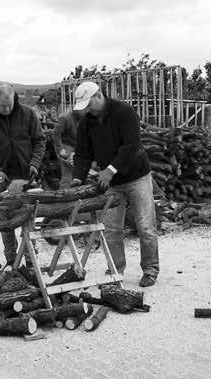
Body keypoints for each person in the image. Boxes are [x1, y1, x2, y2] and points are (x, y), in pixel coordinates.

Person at [70, 81, 159, 287]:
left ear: (98, 96)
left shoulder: (124, 112)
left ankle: (150, 269)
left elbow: (131, 145)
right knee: (111, 229)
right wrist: (77, 178)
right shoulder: (86, 123)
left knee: (145, 226)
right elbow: (83, 154)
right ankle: (115, 269)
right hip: (112, 184)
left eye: (88, 105)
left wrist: (110, 170)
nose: (86, 111)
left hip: (137, 177)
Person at [0, 84, 46, 265]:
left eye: (10, 105)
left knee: (29, 217)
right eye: (3, 106)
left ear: (14, 100)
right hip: (2, 178)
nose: (7, 109)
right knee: (5, 220)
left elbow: (40, 141)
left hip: (26, 175)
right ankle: (11, 260)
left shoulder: (28, 114)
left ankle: (31, 261)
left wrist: (35, 164)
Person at [52, 110, 82, 188]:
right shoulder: (65, 118)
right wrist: (60, 148)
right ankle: (63, 194)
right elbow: (56, 133)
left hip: (77, 146)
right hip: (66, 147)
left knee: (78, 174)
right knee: (68, 174)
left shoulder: (85, 117)